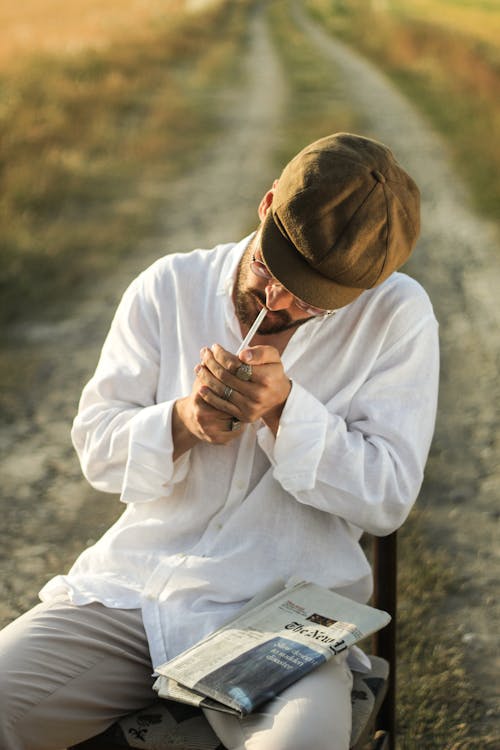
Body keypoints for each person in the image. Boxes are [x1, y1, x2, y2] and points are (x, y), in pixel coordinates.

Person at [0, 133, 439, 750]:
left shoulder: (398, 316)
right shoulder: (169, 284)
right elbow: (97, 449)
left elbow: (387, 498)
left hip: (284, 618)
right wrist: (183, 422)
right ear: (265, 207)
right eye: (272, 271)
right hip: (135, 593)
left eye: (315, 303)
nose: (281, 302)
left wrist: (286, 412)